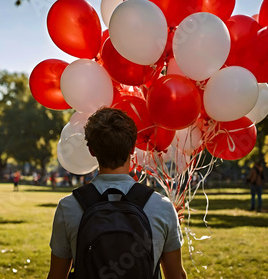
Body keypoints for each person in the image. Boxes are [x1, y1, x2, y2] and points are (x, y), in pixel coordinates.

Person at [47, 108, 186, 279]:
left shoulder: (68, 207)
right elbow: (176, 275)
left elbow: (56, 276)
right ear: (133, 148)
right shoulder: (163, 207)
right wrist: (169, 222)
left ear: (92, 151)